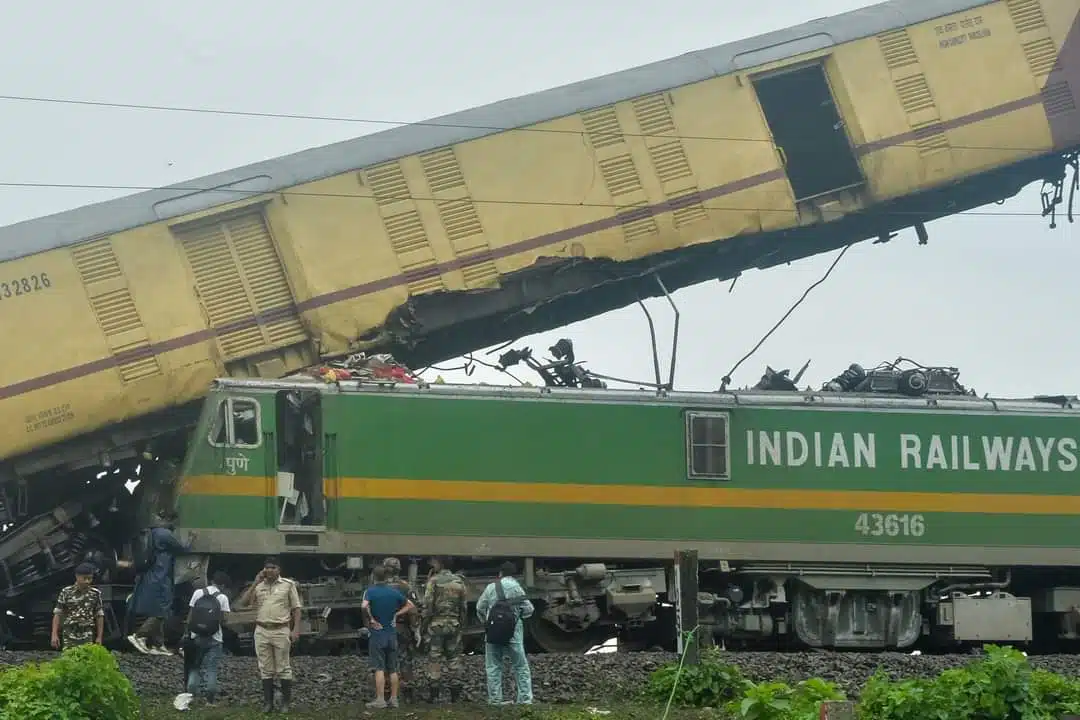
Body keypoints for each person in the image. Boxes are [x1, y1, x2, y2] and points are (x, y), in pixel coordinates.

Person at [237, 556, 302, 713]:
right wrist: (255, 582)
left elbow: (296, 608)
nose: (269, 570)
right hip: (262, 630)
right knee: (265, 668)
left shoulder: (288, 585)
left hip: (281, 629)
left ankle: (285, 704)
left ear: (279, 570)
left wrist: (296, 629)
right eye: (267, 567)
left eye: (273, 567)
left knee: (283, 667)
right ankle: (268, 703)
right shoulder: (259, 586)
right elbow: (243, 603)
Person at [126, 511, 196, 656]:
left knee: (158, 610)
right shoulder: (164, 534)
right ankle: (140, 636)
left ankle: (158, 644)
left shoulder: (152, 532)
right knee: (161, 610)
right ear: (169, 520)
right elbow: (182, 550)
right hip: (161, 576)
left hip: (153, 575)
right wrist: (191, 540)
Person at [476, 561, 535, 706]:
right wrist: (518, 618)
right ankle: (525, 700)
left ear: (500, 573)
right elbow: (529, 609)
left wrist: (487, 623)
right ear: (513, 574)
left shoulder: (491, 587)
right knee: (520, 666)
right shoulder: (516, 587)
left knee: (493, 666)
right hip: (513, 633)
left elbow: (479, 607)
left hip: (493, 632)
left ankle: (495, 700)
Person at [362, 564, 416, 708]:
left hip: (378, 633)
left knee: (379, 667)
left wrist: (371, 619)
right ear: (386, 577)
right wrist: (396, 614)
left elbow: (363, 606)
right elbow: (410, 605)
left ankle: (380, 700)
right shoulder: (393, 592)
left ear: (373, 577)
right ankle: (394, 699)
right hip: (391, 633)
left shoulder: (370, 591)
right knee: (393, 668)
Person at [421, 556, 468, 703]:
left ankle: (434, 694)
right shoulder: (459, 581)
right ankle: (455, 694)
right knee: (454, 657)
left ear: (440, 564)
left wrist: (423, 625)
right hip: (453, 624)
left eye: (434, 563)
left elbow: (427, 605)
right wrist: (460, 625)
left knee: (434, 657)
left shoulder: (433, 581)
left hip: (436, 624)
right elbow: (464, 607)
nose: (432, 565)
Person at [183, 570, 231, 707]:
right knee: (211, 669)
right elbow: (224, 620)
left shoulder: (198, 593)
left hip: (196, 636)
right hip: (215, 638)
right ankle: (209, 701)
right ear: (222, 585)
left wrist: (188, 633)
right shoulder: (222, 597)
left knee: (194, 667)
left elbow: (190, 616)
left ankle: (190, 698)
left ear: (212, 581)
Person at [382, 557, 421, 693]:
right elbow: (413, 609)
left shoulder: (376, 587)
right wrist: (416, 629)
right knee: (405, 657)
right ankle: (407, 687)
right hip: (401, 627)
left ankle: (386, 689)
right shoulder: (405, 586)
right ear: (398, 570)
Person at [51, 563, 105, 650]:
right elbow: (57, 614)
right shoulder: (66, 592)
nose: (87, 581)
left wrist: (99, 637)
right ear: (77, 576)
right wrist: (54, 634)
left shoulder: (95, 594)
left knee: (86, 659)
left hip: (87, 633)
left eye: (90, 578)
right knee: (69, 660)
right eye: (84, 578)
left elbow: (99, 615)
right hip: (69, 633)